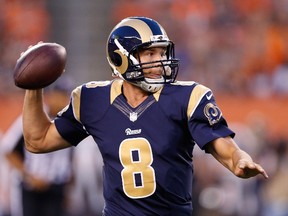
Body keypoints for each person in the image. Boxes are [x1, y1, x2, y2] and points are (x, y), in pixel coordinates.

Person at [20, 17, 268, 215]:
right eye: (149, 54)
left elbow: (220, 142)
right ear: (120, 58)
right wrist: (34, 87)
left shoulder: (187, 97)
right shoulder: (91, 99)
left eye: (161, 53)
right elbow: (38, 140)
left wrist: (238, 159)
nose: (159, 61)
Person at [2, 80, 74, 216]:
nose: (63, 100)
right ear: (51, 95)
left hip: (57, 187)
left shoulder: (70, 121)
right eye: (59, 95)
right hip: (31, 188)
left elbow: (70, 158)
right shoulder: (33, 117)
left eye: (66, 96)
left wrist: (68, 189)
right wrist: (30, 177)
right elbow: (9, 151)